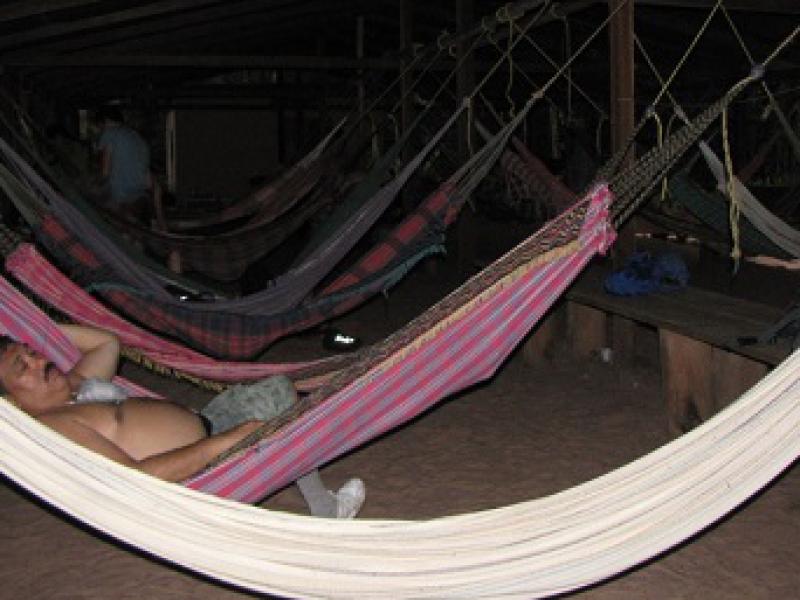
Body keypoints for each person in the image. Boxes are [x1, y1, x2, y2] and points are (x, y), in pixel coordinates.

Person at [0, 324, 365, 518]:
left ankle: (322, 505)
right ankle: (326, 510)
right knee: (278, 408)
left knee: (278, 391)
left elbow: (106, 344)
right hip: (197, 472)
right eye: (22, 366)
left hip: (207, 423)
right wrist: (225, 442)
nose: (40, 360)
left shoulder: (75, 386)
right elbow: (134, 477)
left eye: (32, 352)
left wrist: (34, 327)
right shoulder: (55, 426)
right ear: (11, 403)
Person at [93, 105, 164, 226]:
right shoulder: (137, 137)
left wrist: (92, 186)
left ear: (105, 121)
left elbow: (105, 173)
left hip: (121, 196)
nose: (100, 131)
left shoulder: (109, 134)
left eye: (99, 127)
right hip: (141, 195)